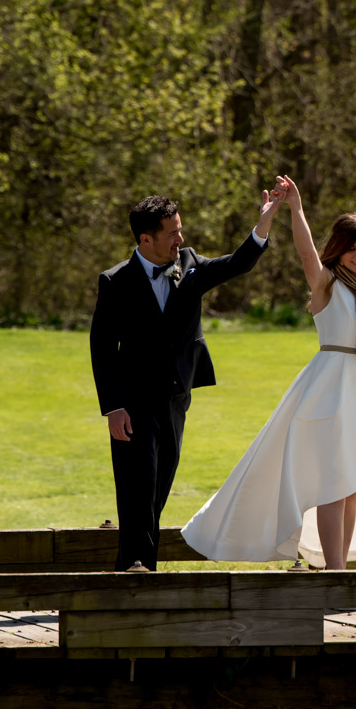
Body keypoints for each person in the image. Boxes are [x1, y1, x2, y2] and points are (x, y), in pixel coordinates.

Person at [181, 176, 356, 569]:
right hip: (332, 387)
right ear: (339, 250)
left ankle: (338, 565)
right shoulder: (326, 282)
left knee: (352, 485)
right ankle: (335, 572)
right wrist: (295, 208)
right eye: (352, 249)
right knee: (333, 482)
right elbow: (306, 252)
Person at [91, 189, 284, 571]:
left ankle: (131, 568)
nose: (180, 239)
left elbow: (238, 263)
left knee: (158, 488)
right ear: (145, 239)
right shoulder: (115, 282)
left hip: (176, 399)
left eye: (181, 230)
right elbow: (101, 348)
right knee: (137, 489)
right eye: (171, 233)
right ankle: (137, 572)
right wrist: (113, 407)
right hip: (133, 404)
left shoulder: (190, 265)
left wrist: (264, 222)